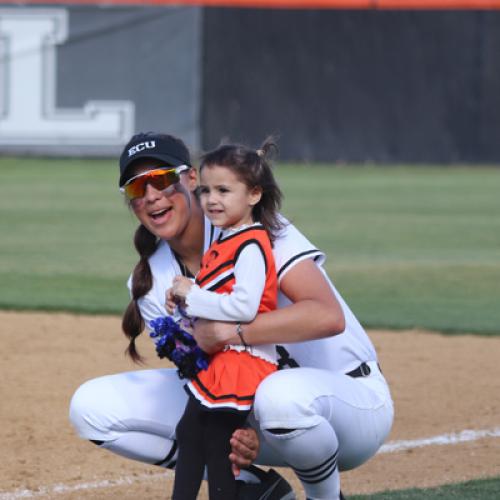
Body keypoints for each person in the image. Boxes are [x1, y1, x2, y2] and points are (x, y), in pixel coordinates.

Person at [69, 132, 394, 500]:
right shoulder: (149, 282)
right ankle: (256, 488)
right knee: (91, 407)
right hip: (249, 411)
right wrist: (235, 429)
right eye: (136, 188)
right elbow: (202, 371)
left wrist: (230, 332)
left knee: (280, 398)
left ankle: (326, 497)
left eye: (161, 180)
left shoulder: (252, 225)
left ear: (191, 179)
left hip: (348, 404)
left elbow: (326, 317)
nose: (151, 196)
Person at [164, 140, 282, 499]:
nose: (212, 199)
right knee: (191, 433)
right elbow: (218, 294)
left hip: (243, 359)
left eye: (224, 190)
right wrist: (185, 297)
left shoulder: (251, 244)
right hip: (227, 358)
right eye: (206, 190)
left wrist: (193, 295)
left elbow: (244, 308)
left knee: (216, 442)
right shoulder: (230, 239)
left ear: (254, 195)